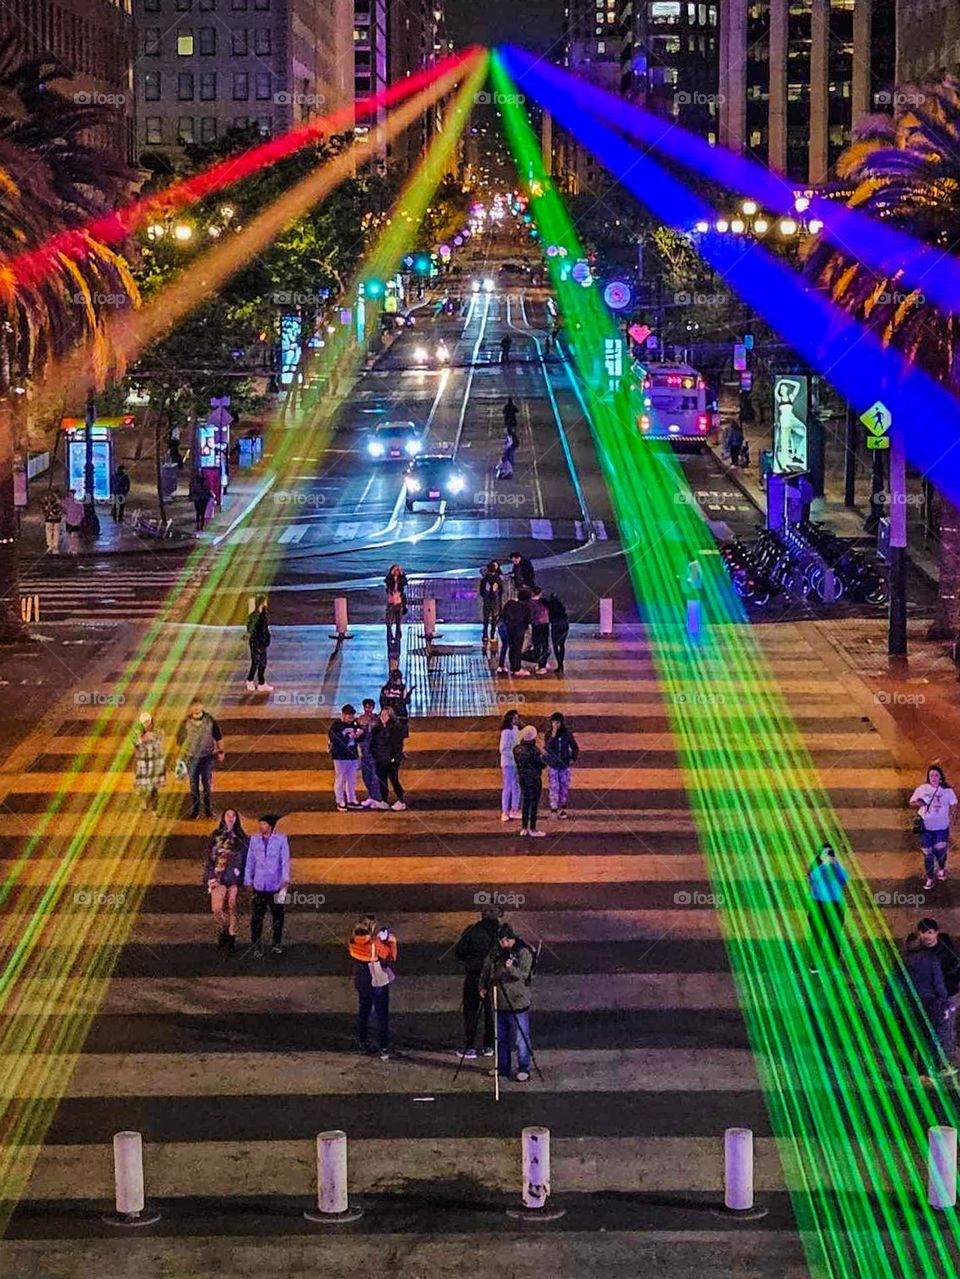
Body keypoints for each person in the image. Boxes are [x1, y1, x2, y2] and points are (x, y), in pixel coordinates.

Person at [887, 932, 949, 1080]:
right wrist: (944, 1004)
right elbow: (939, 985)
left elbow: (891, 986)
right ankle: (924, 1071)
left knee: (907, 1037)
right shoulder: (931, 960)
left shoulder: (901, 962)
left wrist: (889, 1004)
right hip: (927, 1004)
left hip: (906, 1004)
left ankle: (907, 1071)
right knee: (926, 1037)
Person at [480, 922, 534, 1082]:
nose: (503, 944)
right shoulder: (495, 952)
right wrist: (482, 985)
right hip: (499, 1001)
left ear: (512, 939)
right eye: (500, 941)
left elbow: (523, 975)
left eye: (505, 941)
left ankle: (524, 1068)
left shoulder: (523, 952)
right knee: (500, 1038)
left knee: (521, 1038)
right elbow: (486, 969)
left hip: (518, 1003)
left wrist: (510, 968)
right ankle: (503, 1067)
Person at [455, 904, 502, 1057]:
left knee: (471, 1011)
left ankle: (471, 1046)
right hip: (494, 977)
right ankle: (489, 1045)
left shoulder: (472, 930)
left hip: (474, 975)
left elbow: (460, 952)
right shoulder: (502, 932)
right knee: (490, 1011)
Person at [348, 916, 398, 1060]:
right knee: (382, 1015)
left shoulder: (352, 942)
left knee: (364, 1011)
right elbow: (390, 956)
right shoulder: (374, 944)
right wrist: (391, 940)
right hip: (377, 983)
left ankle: (363, 1040)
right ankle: (383, 1047)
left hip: (361, 981)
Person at [916, 918, 960, 1069]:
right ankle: (929, 1066)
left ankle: (944, 1064)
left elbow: (955, 971)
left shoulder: (947, 952)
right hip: (927, 999)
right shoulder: (917, 953)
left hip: (945, 997)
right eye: (923, 932)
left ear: (936, 933)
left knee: (944, 1031)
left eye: (930, 932)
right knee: (927, 1031)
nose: (926, 936)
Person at [244, 814, 290, 957]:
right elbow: (250, 860)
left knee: (278, 916)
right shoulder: (254, 840)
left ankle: (276, 942)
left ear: (270, 826)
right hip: (259, 886)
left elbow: (285, 860)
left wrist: (285, 880)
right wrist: (248, 879)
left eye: (263, 824)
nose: (260, 826)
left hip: (276, 885)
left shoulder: (281, 840)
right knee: (257, 917)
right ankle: (256, 945)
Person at [204, 809, 248, 952]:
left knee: (232, 906)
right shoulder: (215, 835)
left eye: (233, 815)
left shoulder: (242, 837)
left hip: (235, 877)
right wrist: (210, 875)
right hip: (219, 875)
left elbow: (247, 860)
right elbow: (209, 859)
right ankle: (224, 929)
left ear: (236, 818)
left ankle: (231, 935)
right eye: (228, 815)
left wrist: (246, 878)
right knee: (216, 908)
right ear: (223, 817)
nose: (230, 818)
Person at [910, 764, 957, 890]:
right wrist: (920, 802)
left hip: (941, 827)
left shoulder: (947, 791)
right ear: (928, 777)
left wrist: (952, 818)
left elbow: (954, 804)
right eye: (931, 775)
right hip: (926, 827)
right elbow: (912, 802)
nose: (934, 777)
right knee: (928, 854)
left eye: (936, 775)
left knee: (940, 851)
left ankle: (941, 868)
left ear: (941, 777)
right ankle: (930, 878)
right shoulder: (922, 788)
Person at [176, 699, 225, 819]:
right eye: (194, 706)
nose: (196, 708)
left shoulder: (210, 720)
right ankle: (195, 812)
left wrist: (221, 751)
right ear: (191, 708)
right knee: (193, 786)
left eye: (198, 705)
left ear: (202, 706)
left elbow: (218, 736)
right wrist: (179, 758)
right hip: (191, 757)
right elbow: (179, 741)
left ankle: (208, 812)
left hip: (206, 757)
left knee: (207, 785)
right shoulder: (185, 722)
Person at [806, 843, 849, 973]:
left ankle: (835, 963)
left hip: (836, 906)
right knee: (818, 935)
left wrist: (835, 864)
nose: (829, 855)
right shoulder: (816, 868)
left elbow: (844, 879)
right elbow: (814, 879)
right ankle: (814, 964)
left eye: (831, 852)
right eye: (826, 853)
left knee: (835, 935)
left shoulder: (835, 868)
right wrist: (824, 864)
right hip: (819, 906)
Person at [328, 704, 364, 811]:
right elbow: (335, 740)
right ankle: (340, 800)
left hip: (352, 755)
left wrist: (360, 734)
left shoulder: (354, 724)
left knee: (351, 779)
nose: (351, 719)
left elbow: (360, 738)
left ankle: (351, 799)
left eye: (352, 716)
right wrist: (347, 737)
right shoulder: (336, 726)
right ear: (343, 715)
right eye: (349, 716)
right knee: (340, 779)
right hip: (340, 756)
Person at [371, 705, 407, 810]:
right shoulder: (377, 728)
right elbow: (373, 743)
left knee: (394, 780)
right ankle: (384, 801)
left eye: (385, 714)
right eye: (381, 714)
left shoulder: (396, 727)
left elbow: (397, 745)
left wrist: (394, 758)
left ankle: (401, 801)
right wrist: (375, 755)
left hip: (391, 759)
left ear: (390, 715)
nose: (383, 716)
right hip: (380, 759)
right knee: (382, 781)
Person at [545, 712, 579, 818]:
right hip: (553, 765)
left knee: (564, 787)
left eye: (557, 722)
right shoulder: (549, 734)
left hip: (564, 765)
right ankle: (554, 809)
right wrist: (553, 735)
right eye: (553, 722)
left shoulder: (567, 734)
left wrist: (573, 758)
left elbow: (575, 747)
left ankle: (562, 808)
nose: (555, 725)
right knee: (554, 787)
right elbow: (548, 748)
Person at [514, 724, 546, 837]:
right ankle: (532, 828)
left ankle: (523, 828)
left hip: (523, 778)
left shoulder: (517, 749)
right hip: (534, 778)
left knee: (526, 802)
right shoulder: (535, 751)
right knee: (534, 803)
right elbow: (542, 765)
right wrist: (544, 756)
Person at [133, 711, 167, 814]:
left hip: (155, 764)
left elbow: (159, 745)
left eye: (148, 722)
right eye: (144, 723)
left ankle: (155, 809)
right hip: (143, 764)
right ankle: (145, 801)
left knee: (154, 788)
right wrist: (142, 739)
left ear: (152, 721)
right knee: (142, 788)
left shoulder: (158, 732)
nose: (147, 724)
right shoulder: (138, 734)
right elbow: (136, 748)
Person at [358, 699, 387, 809]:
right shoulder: (360, 720)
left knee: (375, 775)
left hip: (375, 751)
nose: (368, 709)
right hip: (365, 751)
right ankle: (371, 796)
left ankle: (377, 798)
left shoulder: (377, 719)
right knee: (366, 776)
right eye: (366, 707)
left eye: (370, 707)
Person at [497, 588, 531, 677]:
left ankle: (513, 667)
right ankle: (516, 668)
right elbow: (527, 619)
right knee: (517, 648)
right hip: (519, 629)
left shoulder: (510, 604)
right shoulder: (526, 606)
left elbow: (503, 614)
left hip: (509, 628)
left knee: (512, 647)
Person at [245, 594, 273, 693]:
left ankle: (261, 683)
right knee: (256, 663)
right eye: (265, 602)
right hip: (256, 642)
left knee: (263, 663)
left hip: (263, 642)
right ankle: (249, 680)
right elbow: (251, 629)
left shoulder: (263, 613)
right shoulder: (255, 616)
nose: (266, 604)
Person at [499, 709, 523, 823]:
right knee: (508, 786)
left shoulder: (517, 730)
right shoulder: (506, 731)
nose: (517, 720)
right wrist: (514, 756)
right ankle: (505, 811)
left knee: (516, 786)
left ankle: (514, 809)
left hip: (516, 762)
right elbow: (503, 749)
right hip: (508, 763)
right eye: (515, 718)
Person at [379, 668, 412, 740]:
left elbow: (382, 702)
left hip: (395, 716)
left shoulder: (386, 688)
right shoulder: (401, 688)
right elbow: (406, 701)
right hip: (396, 716)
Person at [478, 560, 503, 650]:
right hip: (495, 601)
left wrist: (485, 596)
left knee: (486, 618)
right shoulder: (498, 579)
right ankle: (492, 635)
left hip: (487, 601)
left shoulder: (484, 579)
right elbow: (501, 591)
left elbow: (481, 591)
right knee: (494, 618)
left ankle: (485, 634)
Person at [545, 590, 570, 676]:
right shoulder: (561, 606)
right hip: (564, 624)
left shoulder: (549, 605)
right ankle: (561, 664)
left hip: (555, 625)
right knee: (562, 644)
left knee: (555, 645)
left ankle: (559, 664)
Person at [384, 564, 407, 652]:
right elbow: (387, 582)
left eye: (398, 570)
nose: (397, 571)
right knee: (389, 620)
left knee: (398, 620)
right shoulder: (389, 580)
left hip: (399, 602)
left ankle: (398, 635)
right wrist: (392, 574)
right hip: (391, 602)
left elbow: (405, 582)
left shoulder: (401, 580)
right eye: (395, 570)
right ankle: (390, 635)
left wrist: (402, 574)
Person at [529, 587, 551, 675]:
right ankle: (544, 664)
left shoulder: (530, 603)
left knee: (537, 645)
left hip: (536, 625)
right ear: (540, 593)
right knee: (545, 645)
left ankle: (540, 664)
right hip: (545, 624)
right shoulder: (545, 602)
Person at [41, 488, 63, 554]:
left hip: (49, 518)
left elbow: (44, 509)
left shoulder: (46, 500)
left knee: (49, 532)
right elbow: (61, 508)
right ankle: (55, 546)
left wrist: (46, 514)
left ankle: (50, 545)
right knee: (56, 532)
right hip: (57, 518)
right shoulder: (59, 500)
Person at [62, 488, 84, 554]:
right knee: (75, 535)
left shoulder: (66, 501)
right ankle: (74, 548)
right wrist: (80, 518)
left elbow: (63, 508)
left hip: (69, 520)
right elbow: (82, 512)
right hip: (76, 521)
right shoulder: (78, 502)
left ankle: (71, 547)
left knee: (69, 534)